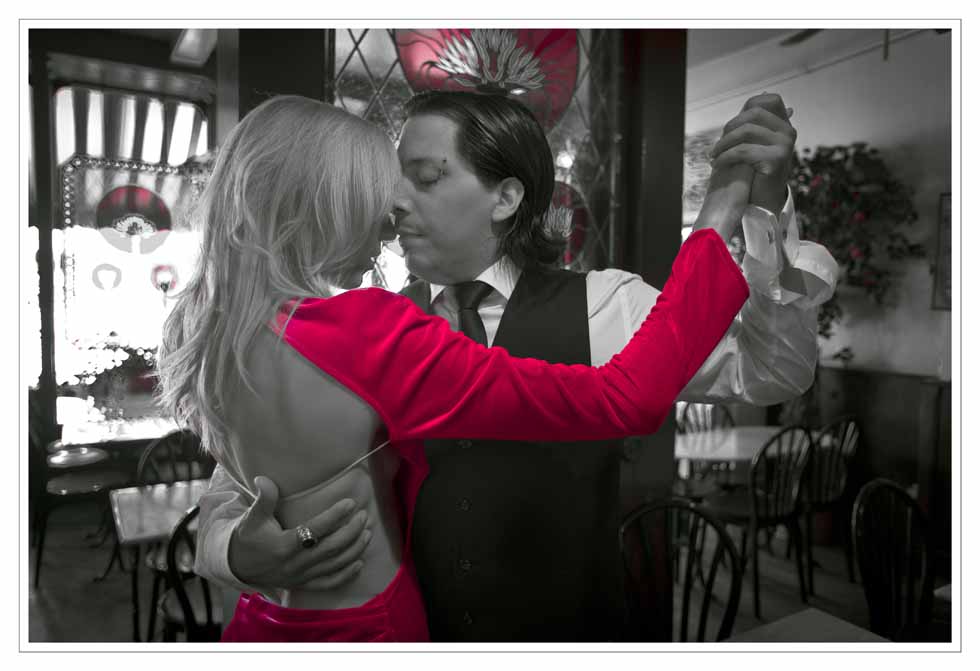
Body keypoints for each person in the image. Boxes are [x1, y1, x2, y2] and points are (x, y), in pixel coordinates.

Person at [185, 92, 837, 642]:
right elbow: (241, 481)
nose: (392, 203)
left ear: (504, 197)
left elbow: (775, 373)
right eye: (390, 180)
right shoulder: (362, 327)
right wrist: (235, 550)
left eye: (424, 177)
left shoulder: (607, 304)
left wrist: (761, 213)